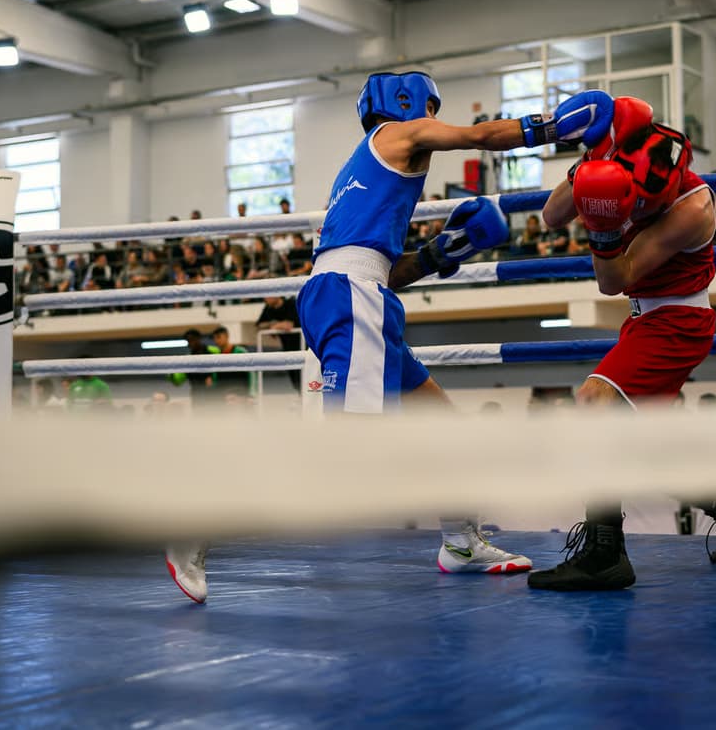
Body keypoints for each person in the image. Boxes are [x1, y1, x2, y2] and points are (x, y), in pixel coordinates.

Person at [167, 71, 613, 603]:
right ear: (406, 102)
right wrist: (553, 128)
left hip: (358, 295)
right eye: (430, 107)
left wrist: (438, 254)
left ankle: (461, 543)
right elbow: (479, 136)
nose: (433, 118)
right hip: (352, 298)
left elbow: (379, 266)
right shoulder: (396, 134)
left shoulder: (361, 172)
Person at [527, 93, 716, 592]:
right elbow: (551, 216)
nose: (643, 208)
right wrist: (586, 171)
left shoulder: (692, 208)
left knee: (594, 402)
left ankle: (604, 554)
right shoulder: (609, 157)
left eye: (647, 203)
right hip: (646, 319)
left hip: (677, 321)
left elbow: (613, 280)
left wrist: (603, 228)